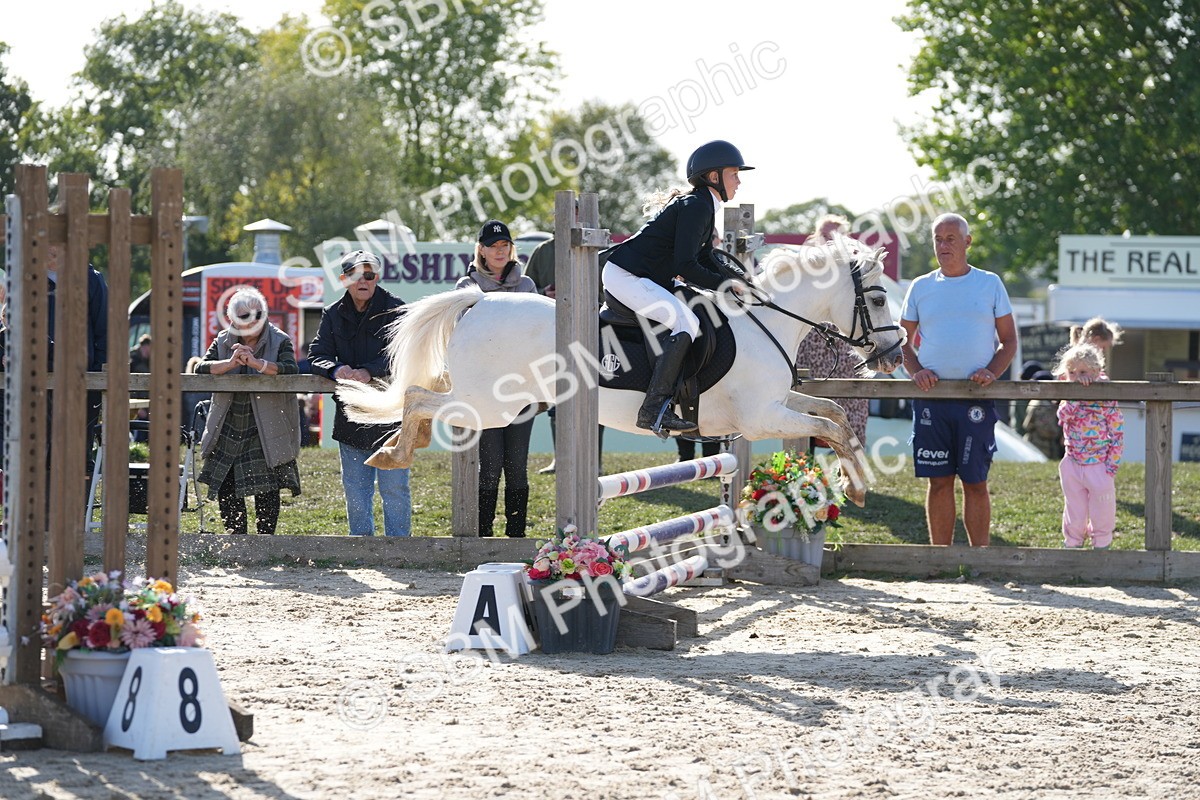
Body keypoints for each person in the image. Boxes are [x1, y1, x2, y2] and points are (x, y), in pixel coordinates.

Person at [599, 139, 753, 434]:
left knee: (694, 312)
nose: (739, 181)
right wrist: (724, 285)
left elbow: (705, 255)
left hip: (646, 275)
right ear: (713, 177)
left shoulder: (704, 205)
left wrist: (735, 280)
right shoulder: (697, 205)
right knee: (687, 321)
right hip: (627, 276)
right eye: (734, 174)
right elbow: (686, 265)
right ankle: (654, 408)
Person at [899, 212, 1017, 547]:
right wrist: (916, 370)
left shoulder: (989, 283)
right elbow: (901, 340)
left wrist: (991, 372)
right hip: (932, 398)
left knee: (975, 482)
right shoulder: (920, 287)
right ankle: (941, 559)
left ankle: (979, 560)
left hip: (974, 398)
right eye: (937, 238)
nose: (943, 245)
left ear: (967, 241)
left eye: (951, 238)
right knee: (938, 482)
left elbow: (1009, 341)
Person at [309, 250, 411, 537]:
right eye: (355, 275)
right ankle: (361, 550)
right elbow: (317, 354)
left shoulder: (396, 309)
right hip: (351, 416)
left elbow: (402, 355)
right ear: (344, 280)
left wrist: (369, 371)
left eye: (369, 275)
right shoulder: (332, 313)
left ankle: (401, 552)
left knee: (395, 490)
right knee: (356, 492)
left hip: (391, 415)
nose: (363, 280)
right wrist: (335, 369)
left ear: (376, 278)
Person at [195, 288, 301, 535]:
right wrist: (231, 363)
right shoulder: (222, 340)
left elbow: (290, 368)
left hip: (267, 422)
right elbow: (201, 367)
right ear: (232, 319)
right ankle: (236, 540)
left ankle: (265, 541)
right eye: (245, 316)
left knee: (267, 486)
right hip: (229, 421)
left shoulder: (280, 339)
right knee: (226, 483)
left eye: (258, 313)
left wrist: (257, 364)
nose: (253, 319)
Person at [457, 220, 537, 537]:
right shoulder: (467, 286)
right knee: (489, 468)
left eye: (504, 245)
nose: (500, 251)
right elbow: (462, 335)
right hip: (486, 390)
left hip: (522, 389)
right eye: (493, 246)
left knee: (517, 468)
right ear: (482, 250)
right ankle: (483, 534)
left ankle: (516, 535)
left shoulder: (528, 285)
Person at [794, 213, 869, 448]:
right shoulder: (804, 266)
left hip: (844, 349)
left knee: (851, 405)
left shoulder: (853, 269)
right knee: (809, 405)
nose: (830, 240)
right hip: (811, 345)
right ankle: (806, 470)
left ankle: (851, 469)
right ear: (816, 237)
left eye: (837, 236)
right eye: (826, 235)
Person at [1054, 342, 1123, 548]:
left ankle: (1101, 544)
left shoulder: (1106, 395)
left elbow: (1117, 430)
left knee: (1103, 508)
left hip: (1099, 463)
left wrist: (1112, 463)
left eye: (1083, 371)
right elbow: (1062, 417)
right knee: (1074, 508)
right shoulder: (1069, 396)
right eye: (1072, 372)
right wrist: (1075, 398)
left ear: (1095, 371)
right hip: (1073, 462)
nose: (1077, 376)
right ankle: (1073, 543)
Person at [46, 242, 108, 460]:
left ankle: (80, 494)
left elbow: (105, 330)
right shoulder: (28, 279)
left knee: (78, 449)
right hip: (38, 377)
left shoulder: (90, 279)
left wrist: (94, 376)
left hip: (81, 377)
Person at [1022, 370, 1065, 459]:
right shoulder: (1041, 404)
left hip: (1047, 447)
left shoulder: (1045, 403)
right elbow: (1047, 430)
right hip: (1039, 446)